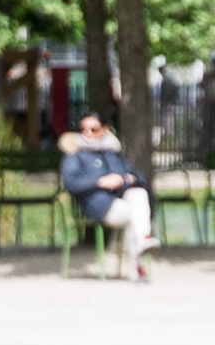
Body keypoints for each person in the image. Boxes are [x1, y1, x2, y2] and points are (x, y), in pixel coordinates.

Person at [59, 114, 157, 281]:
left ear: (104, 130)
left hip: (120, 200)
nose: (87, 133)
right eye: (83, 129)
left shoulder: (111, 154)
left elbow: (139, 178)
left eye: (93, 129)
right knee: (137, 214)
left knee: (139, 194)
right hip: (97, 204)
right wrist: (99, 181)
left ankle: (142, 241)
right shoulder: (74, 155)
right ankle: (138, 264)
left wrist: (127, 179)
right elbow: (71, 183)